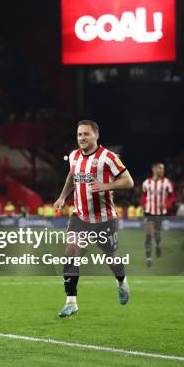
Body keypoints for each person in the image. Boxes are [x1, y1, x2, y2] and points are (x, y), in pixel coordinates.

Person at [53, 120, 134, 317]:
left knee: (111, 258)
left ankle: (121, 282)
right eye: (79, 134)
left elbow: (128, 182)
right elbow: (72, 177)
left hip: (104, 219)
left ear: (96, 136)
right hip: (80, 216)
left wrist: (105, 186)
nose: (82, 138)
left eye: (86, 134)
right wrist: (62, 197)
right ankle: (71, 301)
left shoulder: (108, 157)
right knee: (71, 251)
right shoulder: (73, 156)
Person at [141, 162, 174, 267]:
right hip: (149, 212)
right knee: (148, 234)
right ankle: (148, 258)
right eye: (160, 168)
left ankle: (158, 244)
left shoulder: (167, 182)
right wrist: (144, 205)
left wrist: (166, 204)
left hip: (160, 213)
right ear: (154, 169)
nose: (162, 170)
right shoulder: (146, 183)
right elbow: (143, 196)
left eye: (163, 168)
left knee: (157, 234)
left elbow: (172, 197)